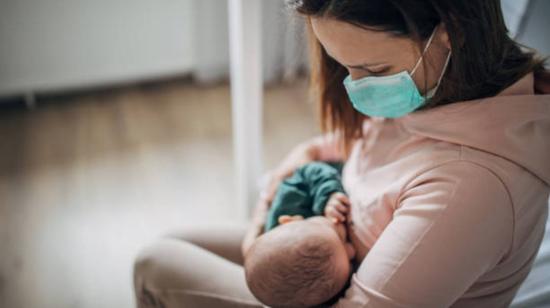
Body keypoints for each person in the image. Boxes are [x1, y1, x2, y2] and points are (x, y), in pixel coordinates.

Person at [133, 1, 550, 307]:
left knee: (156, 263)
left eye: (373, 71)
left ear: (449, 33)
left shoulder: (472, 186)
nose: (357, 90)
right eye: (342, 66)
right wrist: (288, 181)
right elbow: (344, 145)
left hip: (335, 286)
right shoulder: (439, 89)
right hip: (329, 249)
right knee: (175, 243)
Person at [244, 161, 355, 307]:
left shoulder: (287, 205)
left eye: (340, 237)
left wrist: (329, 195)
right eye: (350, 262)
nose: (352, 251)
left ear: (290, 220)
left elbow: (306, 172)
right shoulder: (322, 294)